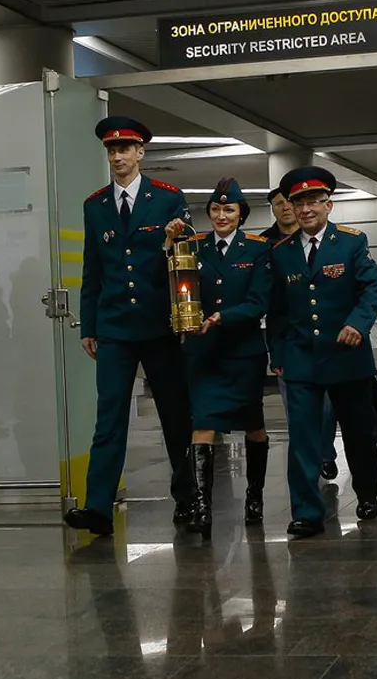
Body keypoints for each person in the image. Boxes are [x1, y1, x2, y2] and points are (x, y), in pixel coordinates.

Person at [65, 116, 193, 537]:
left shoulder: (167, 198)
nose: (118, 156)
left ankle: (189, 497)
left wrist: (185, 315)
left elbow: (185, 258)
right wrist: (89, 324)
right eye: (111, 150)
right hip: (115, 327)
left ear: (141, 153)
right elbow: (93, 269)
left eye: (125, 149)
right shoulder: (95, 205)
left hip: (160, 325)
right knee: (109, 417)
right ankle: (98, 507)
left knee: (175, 415)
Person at [268, 167, 377, 537]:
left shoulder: (351, 242)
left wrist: (358, 324)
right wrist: (277, 355)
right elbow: (277, 310)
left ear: (328, 205)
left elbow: (371, 288)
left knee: (358, 433)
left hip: (347, 356)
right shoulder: (282, 253)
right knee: (303, 438)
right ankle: (306, 512)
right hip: (301, 358)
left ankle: (367, 494)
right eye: (298, 203)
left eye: (314, 202)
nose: (306, 209)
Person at [165, 178, 273, 540]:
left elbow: (259, 302)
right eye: (215, 209)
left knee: (253, 425)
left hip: (244, 353)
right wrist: (169, 244)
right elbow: (176, 281)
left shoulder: (257, 249)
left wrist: (222, 317)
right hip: (204, 353)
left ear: (241, 214)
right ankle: (202, 508)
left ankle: (254, 497)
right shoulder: (194, 246)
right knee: (203, 424)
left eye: (229, 209)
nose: (221, 215)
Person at [262, 188, 341, 481]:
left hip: (329, 343)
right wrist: (276, 352)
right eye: (279, 204)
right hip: (291, 343)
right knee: (297, 410)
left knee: (328, 407)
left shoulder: (334, 241)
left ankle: (325, 452)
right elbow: (275, 305)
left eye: (290, 203)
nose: (286, 208)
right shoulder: (268, 246)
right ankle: (308, 469)